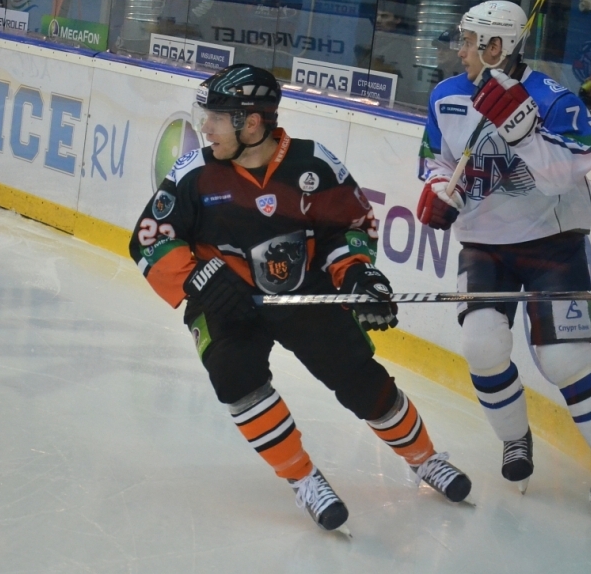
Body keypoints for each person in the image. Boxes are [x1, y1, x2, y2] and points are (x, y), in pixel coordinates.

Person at [129, 64, 471, 533]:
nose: (205, 127)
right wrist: (201, 278)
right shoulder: (195, 173)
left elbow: (349, 228)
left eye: (217, 118)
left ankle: (425, 458)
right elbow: (149, 240)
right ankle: (303, 478)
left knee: (360, 379)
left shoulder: (314, 165)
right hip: (226, 301)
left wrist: (358, 275)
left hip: (302, 293)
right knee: (235, 377)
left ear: (251, 123)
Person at [416, 0, 591, 519]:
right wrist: (439, 189)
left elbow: (568, 174)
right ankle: (515, 440)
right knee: (481, 346)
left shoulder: (554, 99)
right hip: (484, 243)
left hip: (551, 243)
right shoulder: (446, 95)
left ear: (497, 46)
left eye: (469, 41)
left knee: (565, 360)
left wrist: (525, 134)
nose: (460, 49)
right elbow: (436, 160)